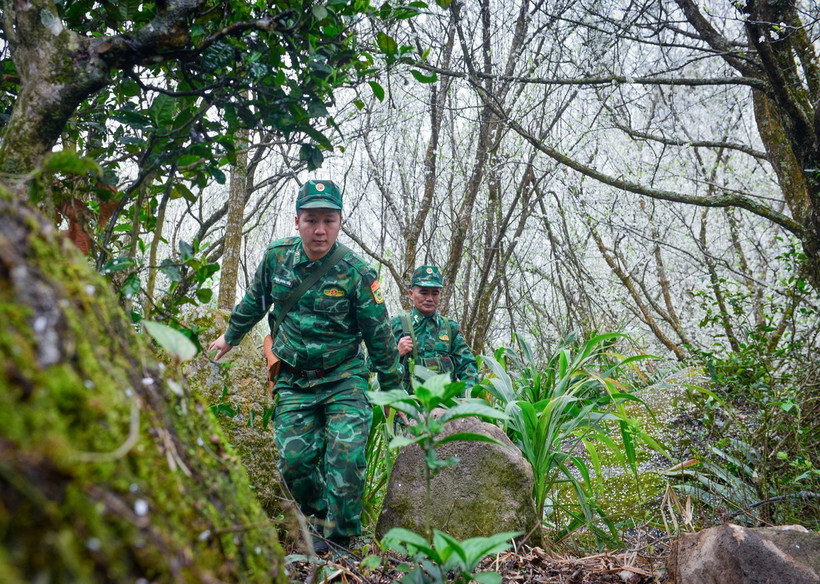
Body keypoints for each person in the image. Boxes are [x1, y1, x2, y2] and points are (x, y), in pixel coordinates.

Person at [208, 179, 402, 553]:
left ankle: (343, 539)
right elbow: (255, 300)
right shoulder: (277, 257)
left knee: (346, 456)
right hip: (293, 379)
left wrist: (395, 392)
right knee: (293, 462)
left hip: (343, 377)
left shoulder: (357, 273)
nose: (319, 230)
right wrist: (230, 336)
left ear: (340, 222)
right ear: (296, 221)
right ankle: (319, 525)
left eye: (328, 220)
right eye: (311, 220)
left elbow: (379, 336)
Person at [390, 265, 479, 392]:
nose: (430, 298)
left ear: (440, 295)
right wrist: (395, 354)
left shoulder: (450, 328)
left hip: (445, 406)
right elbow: (372, 363)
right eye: (424, 292)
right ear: (411, 294)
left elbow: (468, 366)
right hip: (408, 406)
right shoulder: (396, 325)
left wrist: (467, 400)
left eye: (435, 293)